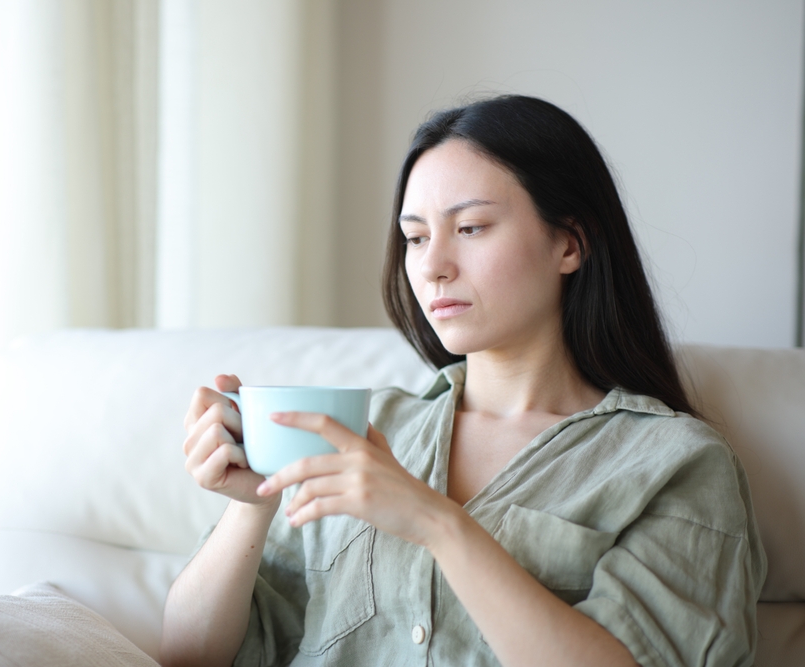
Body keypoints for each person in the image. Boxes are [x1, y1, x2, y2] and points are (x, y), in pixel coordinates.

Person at [159, 95, 766, 667]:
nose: (432, 265)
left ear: (571, 243)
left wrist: (437, 524)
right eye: (416, 237)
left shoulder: (675, 464)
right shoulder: (368, 430)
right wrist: (250, 508)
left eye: (470, 228)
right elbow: (187, 656)